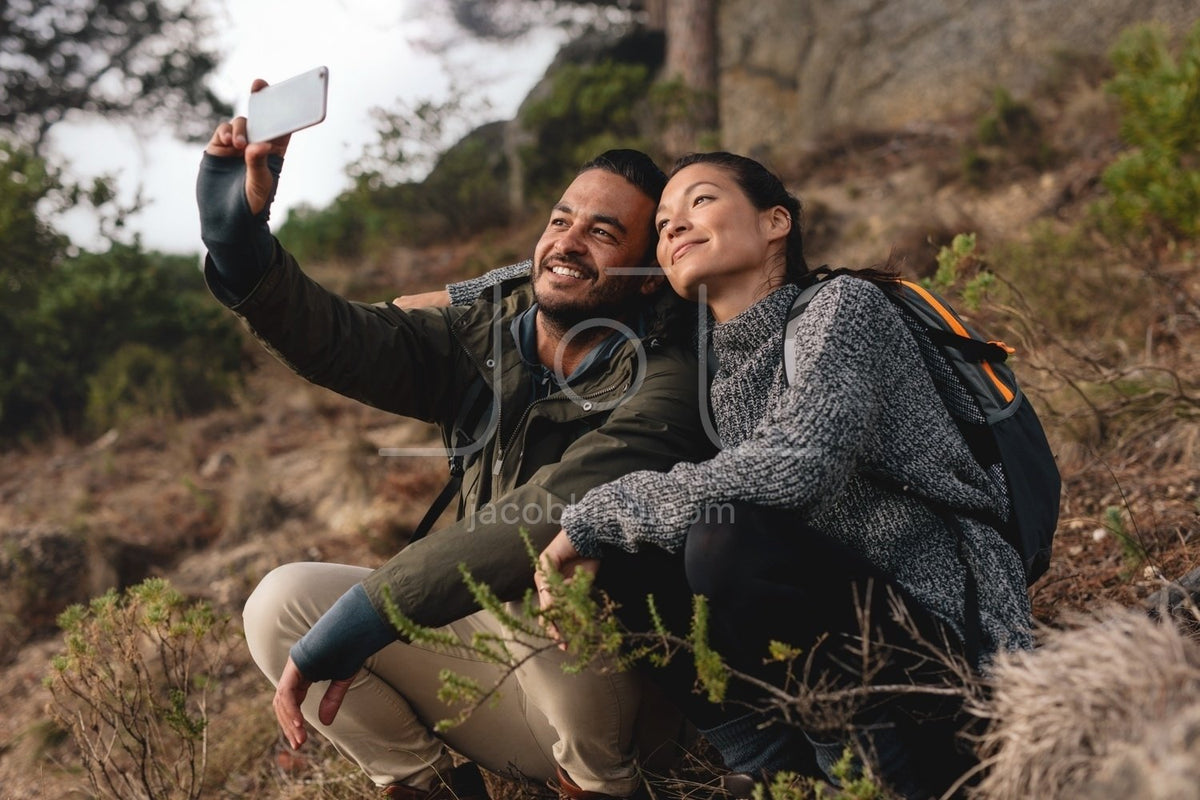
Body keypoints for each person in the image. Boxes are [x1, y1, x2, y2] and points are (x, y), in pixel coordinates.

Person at [196, 80, 717, 800]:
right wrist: (238, 241)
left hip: (634, 706)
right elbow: (341, 340)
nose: (567, 243)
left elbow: (547, 511)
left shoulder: (669, 378)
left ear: (649, 278)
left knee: (555, 588)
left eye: (603, 233)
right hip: (502, 681)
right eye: (560, 220)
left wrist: (365, 617)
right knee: (280, 605)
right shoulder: (482, 337)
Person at [535, 152, 1035, 799]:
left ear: (776, 222)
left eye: (701, 202)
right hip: (847, 649)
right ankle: (772, 770)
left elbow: (794, 468)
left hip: (943, 648)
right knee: (630, 561)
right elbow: (556, 274)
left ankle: (867, 780)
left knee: (724, 536)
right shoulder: (718, 363)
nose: (675, 227)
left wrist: (594, 516)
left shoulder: (841, 309)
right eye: (661, 225)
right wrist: (445, 296)